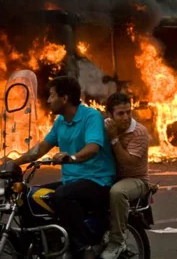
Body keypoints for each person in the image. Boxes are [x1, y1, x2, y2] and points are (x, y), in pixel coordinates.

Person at [10, 76, 116, 259]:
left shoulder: (91, 117)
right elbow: (41, 148)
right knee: (28, 196)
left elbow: (93, 147)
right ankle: (39, 247)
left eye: (52, 95)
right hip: (72, 181)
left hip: (98, 180)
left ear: (65, 98)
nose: (48, 100)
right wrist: (14, 162)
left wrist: (72, 157)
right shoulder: (60, 122)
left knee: (63, 195)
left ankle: (84, 248)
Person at [100, 92, 150, 259]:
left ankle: (117, 241)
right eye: (120, 113)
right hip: (110, 176)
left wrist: (114, 139)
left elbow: (127, 162)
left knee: (118, 192)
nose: (126, 117)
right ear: (109, 115)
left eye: (128, 112)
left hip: (136, 179)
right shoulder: (104, 127)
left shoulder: (139, 132)